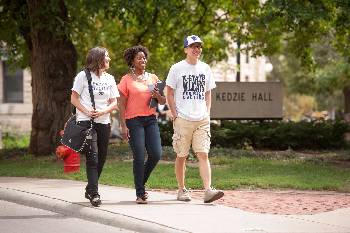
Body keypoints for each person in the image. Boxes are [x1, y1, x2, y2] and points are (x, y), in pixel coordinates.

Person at [166, 35, 224, 203]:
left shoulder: (205, 68)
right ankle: (181, 189)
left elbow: (208, 92)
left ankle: (208, 191)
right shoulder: (177, 68)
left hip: (202, 119)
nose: (196, 49)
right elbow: (169, 92)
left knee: (203, 154)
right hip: (183, 119)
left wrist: (207, 112)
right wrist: (175, 114)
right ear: (185, 49)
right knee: (181, 155)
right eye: (193, 46)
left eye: (199, 46)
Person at [71, 47, 119, 207]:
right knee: (92, 157)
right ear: (98, 59)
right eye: (107, 57)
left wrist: (103, 111)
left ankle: (89, 188)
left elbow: (114, 102)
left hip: (104, 122)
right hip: (86, 122)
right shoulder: (83, 76)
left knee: (102, 157)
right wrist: (87, 111)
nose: (109, 59)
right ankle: (94, 194)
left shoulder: (110, 79)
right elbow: (74, 98)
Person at [118, 45, 165, 204]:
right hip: (133, 121)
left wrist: (158, 95)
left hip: (150, 120)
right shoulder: (126, 80)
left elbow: (163, 101)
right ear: (132, 61)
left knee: (156, 154)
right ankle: (140, 192)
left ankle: (140, 182)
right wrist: (123, 125)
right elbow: (122, 104)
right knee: (139, 155)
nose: (143, 60)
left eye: (144, 57)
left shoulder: (152, 78)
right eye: (139, 57)